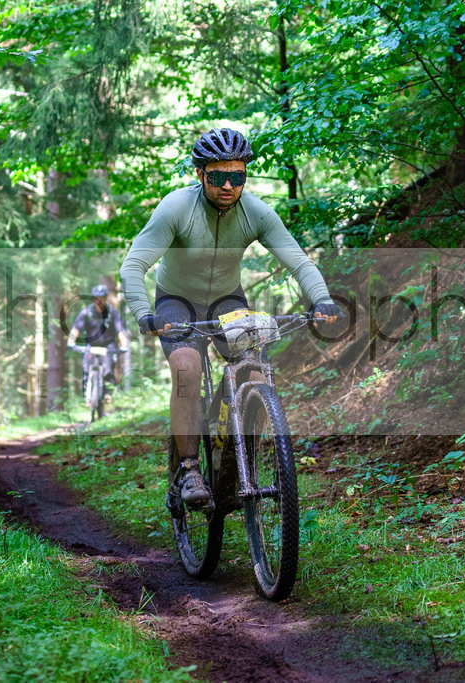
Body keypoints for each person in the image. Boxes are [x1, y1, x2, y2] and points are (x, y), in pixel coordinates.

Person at [120, 127, 341, 506]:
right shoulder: (176, 208)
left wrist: (322, 299)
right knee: (187, 367)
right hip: (177, 301)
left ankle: (238, 462)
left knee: (253, 373)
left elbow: (299, 261)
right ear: (200, 174)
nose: (228, 186)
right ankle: (189, 470)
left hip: (226, 300)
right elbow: (134, 264)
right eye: (218, 176)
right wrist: (145, 314)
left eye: (236, 177)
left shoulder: (256, 212)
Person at [67, 284, 130, 403]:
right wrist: (71, 342)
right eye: (96, 298)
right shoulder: (86, 312)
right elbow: (76, 328)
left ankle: (107, 394)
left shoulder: (112, 313)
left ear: (106, 298)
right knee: (86, 367)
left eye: (102, 298)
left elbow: (120, 330)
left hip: (108, 346)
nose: (99, 301)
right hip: (91, 346)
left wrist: (124, 344)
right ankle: (87, 394)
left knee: (108, 368)